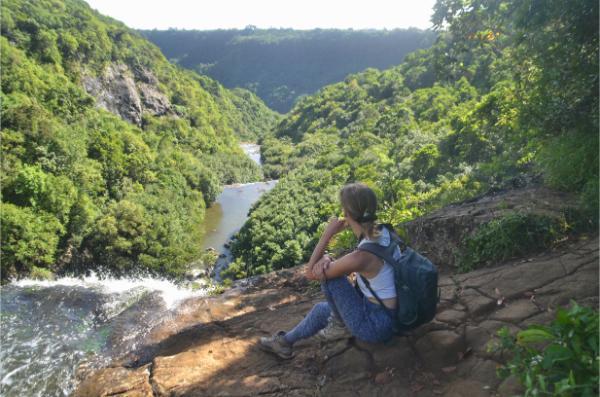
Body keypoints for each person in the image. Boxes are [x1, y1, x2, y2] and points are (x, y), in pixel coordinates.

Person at [259, 183, 400, 359]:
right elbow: (362, 266)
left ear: (346, 213)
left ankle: (340, 325)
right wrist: (328, 260)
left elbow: (311, 273)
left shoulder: (362, 255)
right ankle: (284, 342)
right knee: (321, 309)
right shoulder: (384, 232)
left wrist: (328, 234)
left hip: (376, 326)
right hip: (393, 314)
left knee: (330, 278)